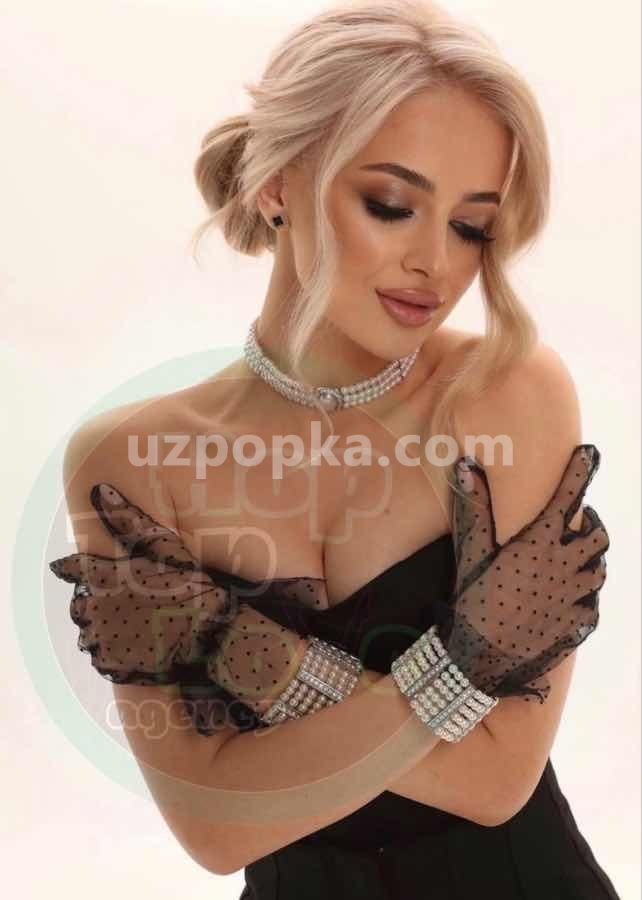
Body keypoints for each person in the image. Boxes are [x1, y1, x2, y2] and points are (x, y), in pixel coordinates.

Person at [48, 1, 621, 897]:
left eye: (471, 226)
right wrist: (464, 668)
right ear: (277, 185)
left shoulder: (506, 392)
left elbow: (494, 781)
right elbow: (215, 830)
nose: (437, 264)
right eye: (391, 205)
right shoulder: (132, 461)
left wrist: (235, 644)